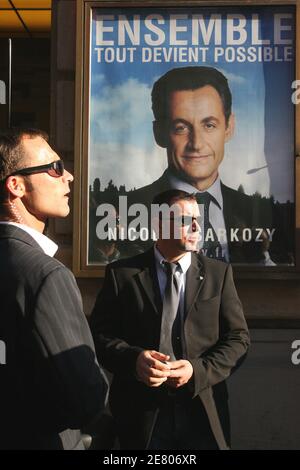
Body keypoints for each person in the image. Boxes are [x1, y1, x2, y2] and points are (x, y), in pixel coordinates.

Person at [90, 189, 250, 450]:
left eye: (199, 218)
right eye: (186, 220)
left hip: (203, 410)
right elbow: (99, 336)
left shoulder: (218, 274)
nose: (197, 226)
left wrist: (196, 370)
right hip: (142, 415)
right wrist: (134, 360)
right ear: (158, 223)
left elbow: (239, 339)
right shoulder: (122, 275)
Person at [0, 128, 108, 450]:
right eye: (55, 168)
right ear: (16, 185)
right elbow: (85, 396)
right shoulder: (45, 275)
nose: (69, 177)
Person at [128, 66, 281, 264]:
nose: (197, 144)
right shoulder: (128, 209)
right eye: (181, 128)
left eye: (209, 125)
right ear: (159, 132)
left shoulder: (262, 213)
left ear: (229, 127)